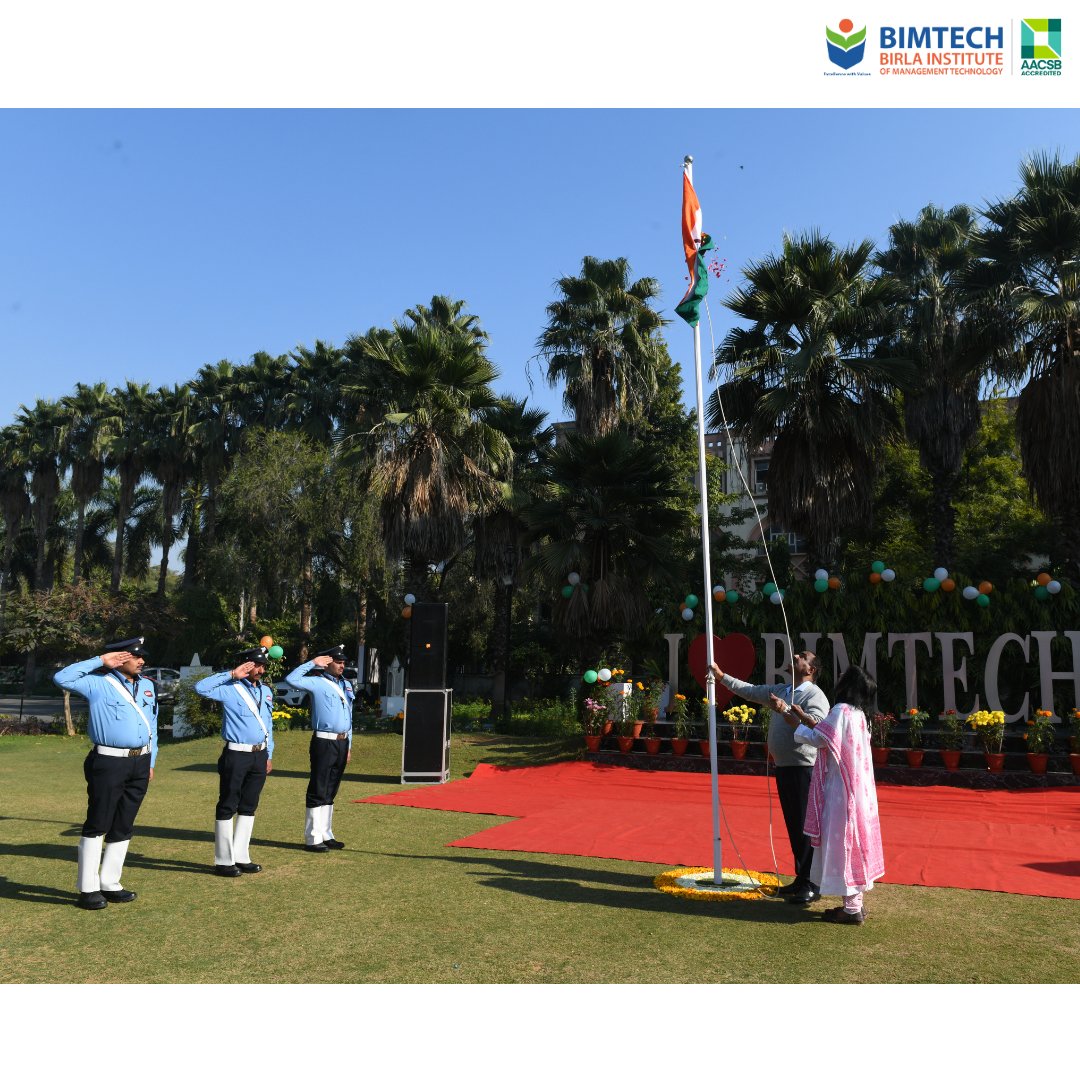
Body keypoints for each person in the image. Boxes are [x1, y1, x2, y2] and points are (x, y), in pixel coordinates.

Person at [709, 652, 830, 904]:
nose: (795, 655)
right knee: (795, 826)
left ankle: (812, 883)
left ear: (811, 670)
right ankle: (802, 878)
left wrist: (785, 709)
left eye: (803, 656)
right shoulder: (783, 689)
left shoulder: (814, 695)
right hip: (786, 767)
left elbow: (818, 728)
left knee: (806, 828)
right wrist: (722, 678)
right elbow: (751, 691)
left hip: (804, 768)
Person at [54, 636, 158, 910]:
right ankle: (88, 889)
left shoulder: (147, 685)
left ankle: (110, 883)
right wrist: (100, 660)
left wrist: (151, 760)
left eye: (142, 657)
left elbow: (153, 725)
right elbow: (62, 678)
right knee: (98, 822)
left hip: (140, 761)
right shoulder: (98, 683)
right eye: (136, 656)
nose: (142, 661)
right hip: (109, 762)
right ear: (120, 658)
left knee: (124, 823)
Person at [776, 664, 885, 924]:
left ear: (849, 685)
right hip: (859, 789)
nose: (839, 677)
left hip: (841, 791)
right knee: (855, 842)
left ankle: (851, 909)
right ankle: (855, 904)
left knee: (843, 845)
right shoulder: (860, 715)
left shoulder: (841, 710)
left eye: (844, 676)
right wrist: (805, 719)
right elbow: (829, 734)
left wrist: (796, 724)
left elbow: (821, 739)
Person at [195, 645, 275, 877]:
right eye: (255, 665)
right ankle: (224, 860)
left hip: (259, 755)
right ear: (245, 665)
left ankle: (241, 856)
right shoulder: (230, 688)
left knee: (249, 805)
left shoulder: (265, 691)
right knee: (228, 804)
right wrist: (232, 674)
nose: (260, 670)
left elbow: (268, 724)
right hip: (236, 754)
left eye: (262, 666)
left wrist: (269, 754)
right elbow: (200, 688)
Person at [285, 644, 353, 852]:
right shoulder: (316, 682)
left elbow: (349, 715)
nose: (342, 666)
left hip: (342, 742)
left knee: (331, 789)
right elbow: (291, 679)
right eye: (338, 662)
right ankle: (313, 837)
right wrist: (312, 663)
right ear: (327, 663)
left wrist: (349, 744)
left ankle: (326, 833)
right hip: (324, 741)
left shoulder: (345, 684)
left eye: (343, 662)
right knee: (319, 787)